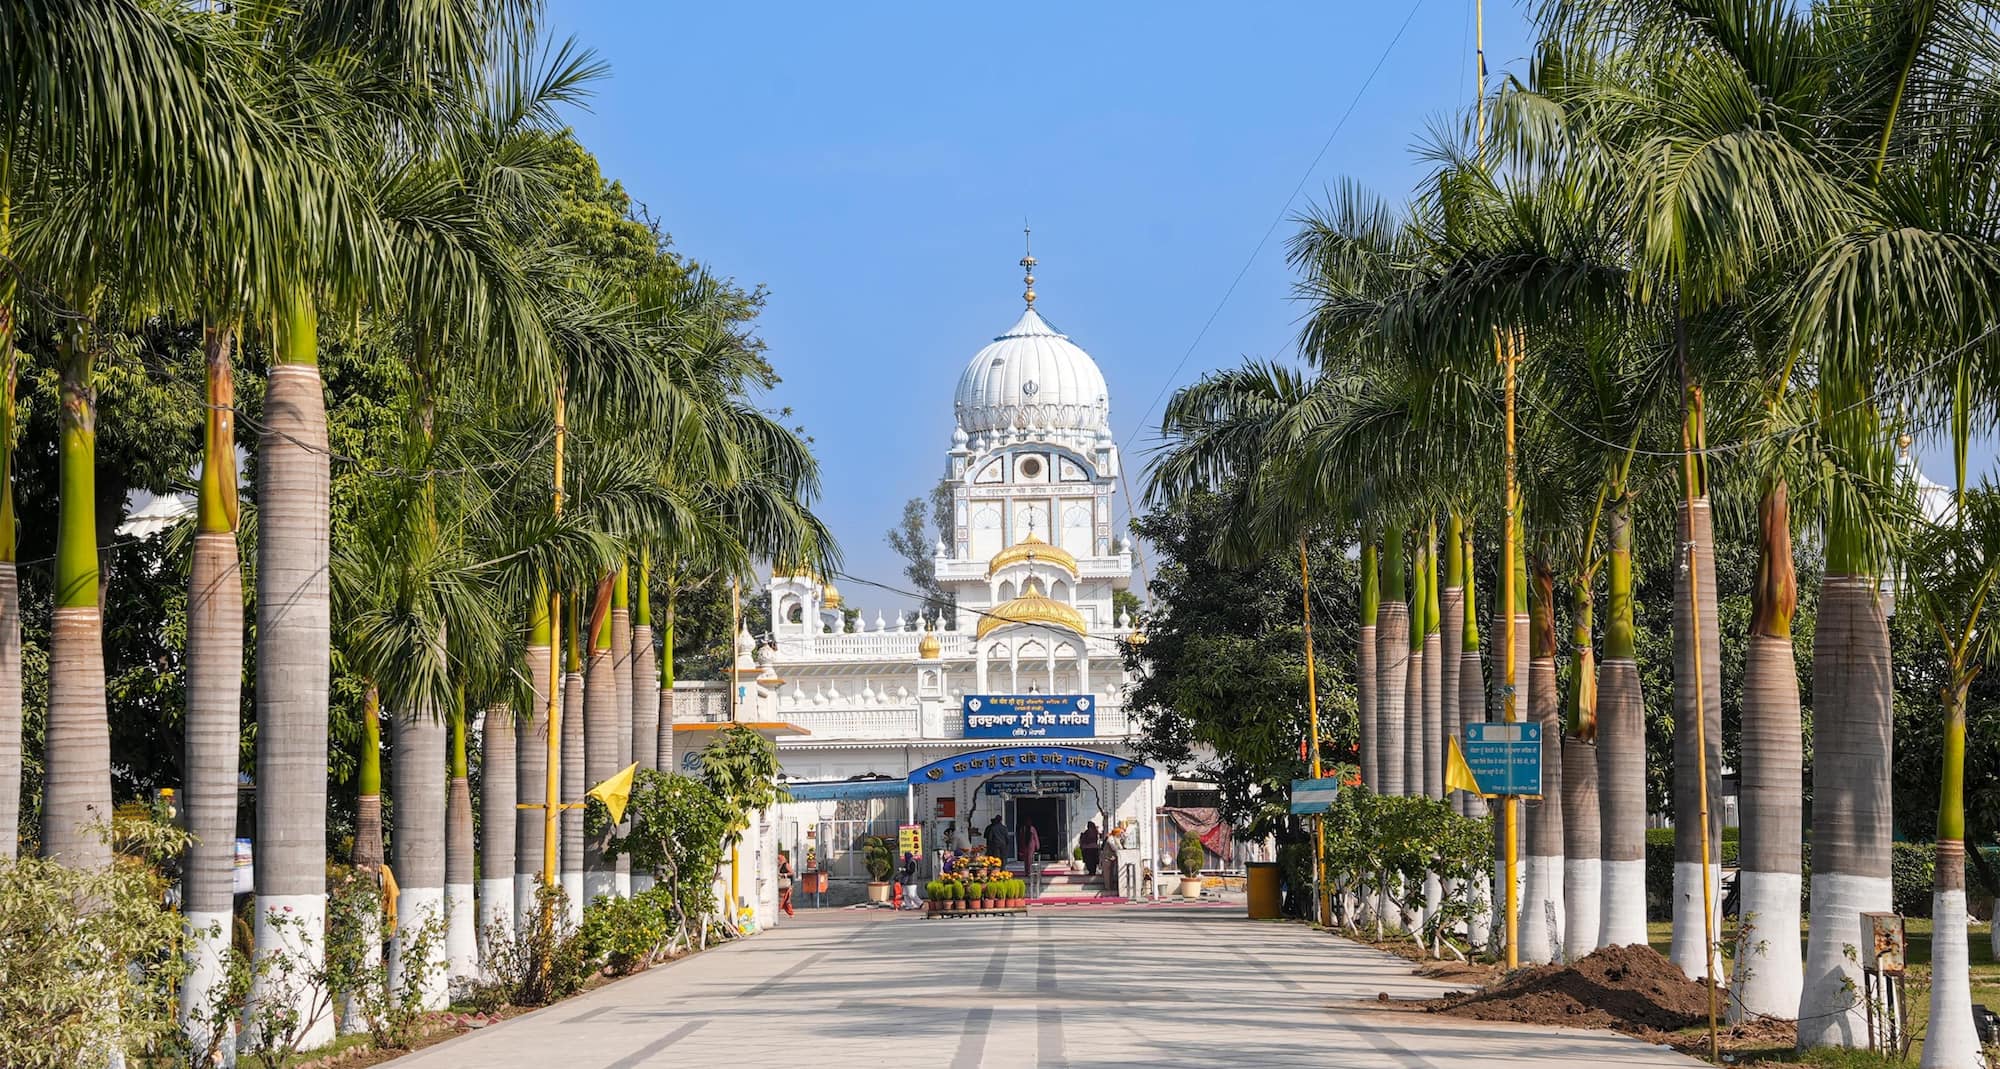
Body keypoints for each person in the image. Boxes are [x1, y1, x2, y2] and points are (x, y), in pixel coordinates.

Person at [777, 850, 796, 917]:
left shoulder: (785, 864)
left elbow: (792, 872)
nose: (777, 861)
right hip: (781, 885)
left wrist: (783, 875)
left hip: (787, 885)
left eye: (778, 859)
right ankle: (790, 913)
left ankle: (778, 911)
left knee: (784, 899)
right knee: (784, 900)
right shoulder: (778, 866)